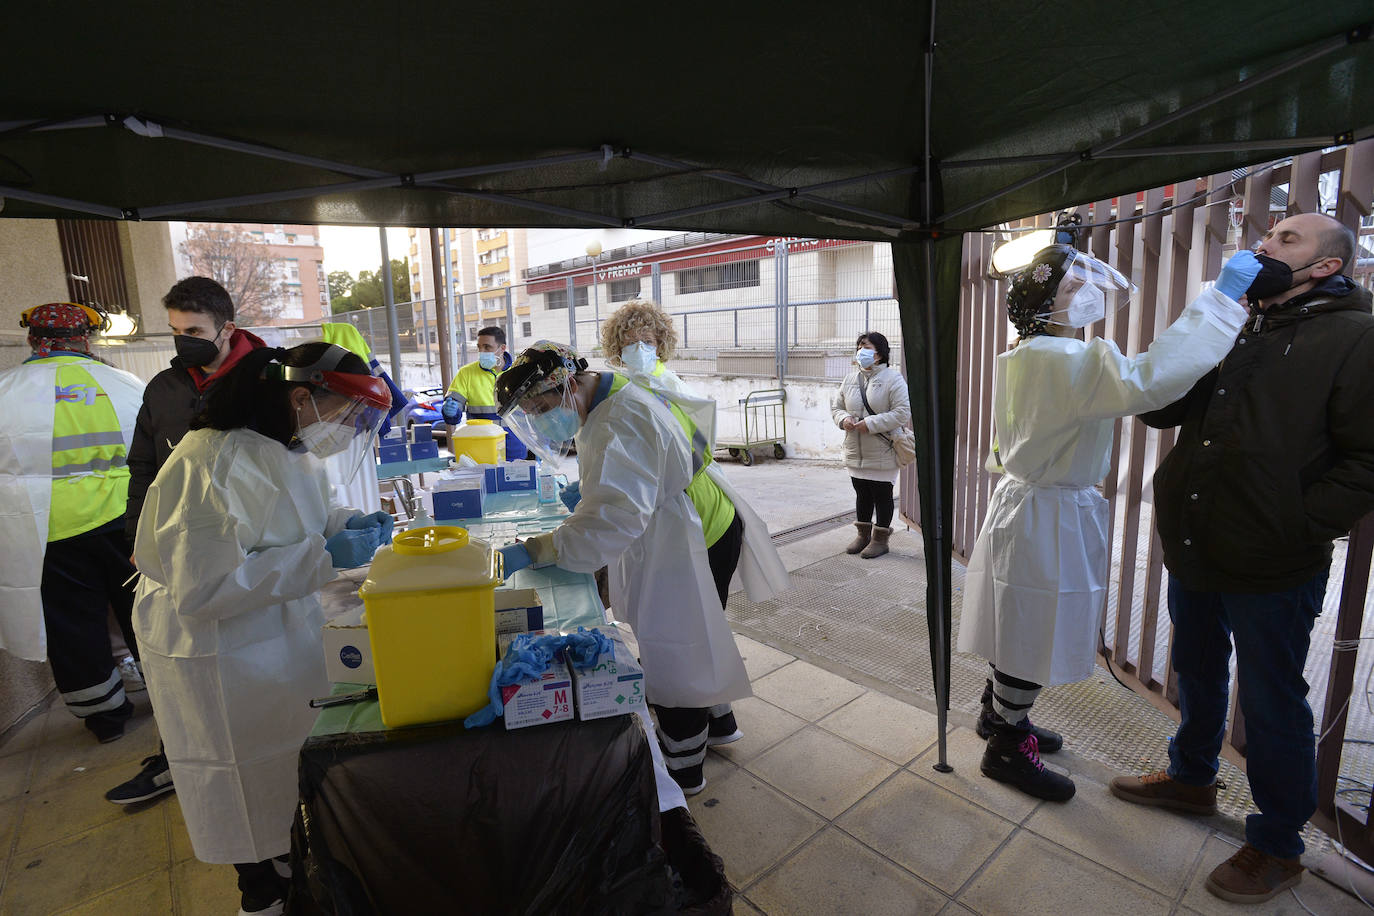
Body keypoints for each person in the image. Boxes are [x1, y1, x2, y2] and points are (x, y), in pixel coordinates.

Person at [1111, 213, 1374, 904]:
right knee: (1196, 668)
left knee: (1272, 700)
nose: (1265, 246)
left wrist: (1298, 522)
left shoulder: (1356, 338)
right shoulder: (1234, 323)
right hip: (1198, 540)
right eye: (1266, 237)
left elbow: (1367, 459)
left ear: (1326, 266)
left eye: (1288, 240)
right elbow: (1157, 407)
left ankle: (1277, 845)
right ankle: (1193, 778)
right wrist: (1213, 313)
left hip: (1275, 560)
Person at [958, 243, 1253, 803]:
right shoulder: (1066, 359)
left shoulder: (1029, 352)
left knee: (1019, 618)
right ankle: (1005, 745)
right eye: (1070, 287)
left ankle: (999, 717)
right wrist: (1218, 301)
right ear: (1041, 304)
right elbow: (1150, 379)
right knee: (1032, 625)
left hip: (1028, 505)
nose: (1087, 293)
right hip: (1048, 513)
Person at [130, 342, 393, 916]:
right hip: (214, 648)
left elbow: (303, 516)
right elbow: (203, 587)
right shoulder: (208, 462)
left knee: (280, 761)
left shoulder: (286, 446)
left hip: (273, 628)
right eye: (346, 416)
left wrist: (349, 524)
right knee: (236, 772)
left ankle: (286, 859)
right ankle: (260, 891)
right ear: (301, 395)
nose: (348, 432)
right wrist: (322, 556)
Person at [494, 342, 788, 795]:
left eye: (542, 407)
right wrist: (593, 486)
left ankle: (684, 772)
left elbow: (608, 524)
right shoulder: (608, 390)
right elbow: (636, 471)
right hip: (694, 516)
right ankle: (720, 725)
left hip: (690, 534)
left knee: (676, 650)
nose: (538, 419)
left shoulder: (617, 422)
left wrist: (538, 549)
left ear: (568, 383)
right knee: (699, 633)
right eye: (530, 413)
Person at [108, 276, 267, 805]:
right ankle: (177, 757)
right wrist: (138, 534)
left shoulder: (268, 378)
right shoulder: (165, 389)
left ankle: (259, 756)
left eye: (194, 331)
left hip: (250, 542)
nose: (183, 343)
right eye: (175, 331)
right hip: (179, 547)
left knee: (247, 659)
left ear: (228, 328)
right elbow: (143, 467)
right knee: (183, 662)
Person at [0, 303, 146, 742]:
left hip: (46, 531)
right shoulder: (124, 385)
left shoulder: (5, 392)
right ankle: (169, 691)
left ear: (32, 340)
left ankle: (105, 718)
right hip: (125, 522)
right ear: (86, 338)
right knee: (144, 613)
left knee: (73, 627)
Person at [832, 332, 911, 559]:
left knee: (881, 494)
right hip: (855, 448)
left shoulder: (893, 379)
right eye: (858, 347)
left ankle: (880, 540)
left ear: (879, 353)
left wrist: (871, 423)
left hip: (883, 448)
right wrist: (843, 419)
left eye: (865, 347)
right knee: (862, 492)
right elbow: (836, 407)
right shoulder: (849, 379)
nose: (860, 351)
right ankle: (863, 535)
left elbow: (902, 412)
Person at [440, 325, 527, 459]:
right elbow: (454, 406)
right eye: (479, 347)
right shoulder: (466, 373)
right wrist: (451, 411)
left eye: (487, 347)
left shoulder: (519, 373)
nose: (482, 352)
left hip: (514, 447)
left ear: (502, 348)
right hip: (480, 447)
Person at [599, 298, 693, 396]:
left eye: (648, 342)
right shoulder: (615, 388)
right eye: (631, 343)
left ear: (660, 345)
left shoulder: (674, 387)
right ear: (619, 349)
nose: (640, 349)